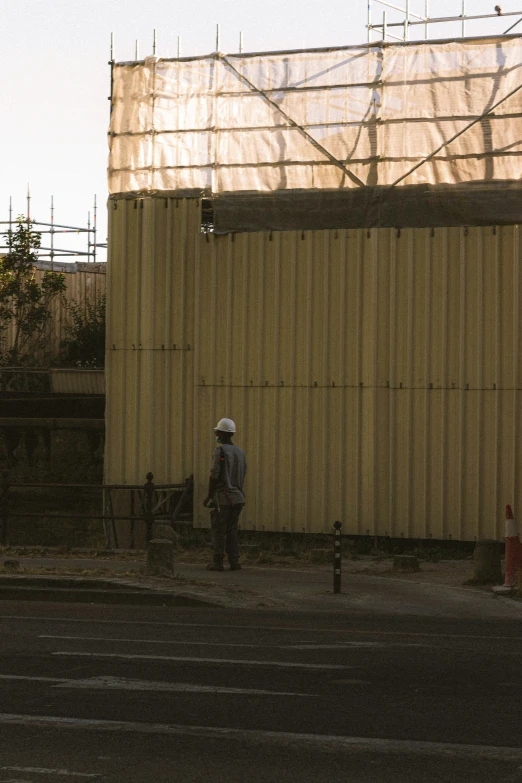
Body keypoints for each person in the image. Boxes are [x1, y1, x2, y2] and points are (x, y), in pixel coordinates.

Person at [203, 418, 246, 572]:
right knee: (232, 530)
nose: (216, 434)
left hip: (223, 498)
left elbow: (214, 475)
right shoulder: (240, 452)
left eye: (217, 432)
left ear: (222, 434)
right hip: (238, 498)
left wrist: (208, 496)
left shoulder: (220, 451)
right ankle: (234, 561)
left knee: (218, 530)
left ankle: (218, 562)